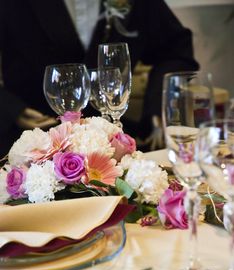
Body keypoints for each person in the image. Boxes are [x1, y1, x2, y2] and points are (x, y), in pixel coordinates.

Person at [0, 0, 199, 158]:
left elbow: (176, 52)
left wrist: (159, 109)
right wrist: (12, 108)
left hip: (112, 138)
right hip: (30, 138)